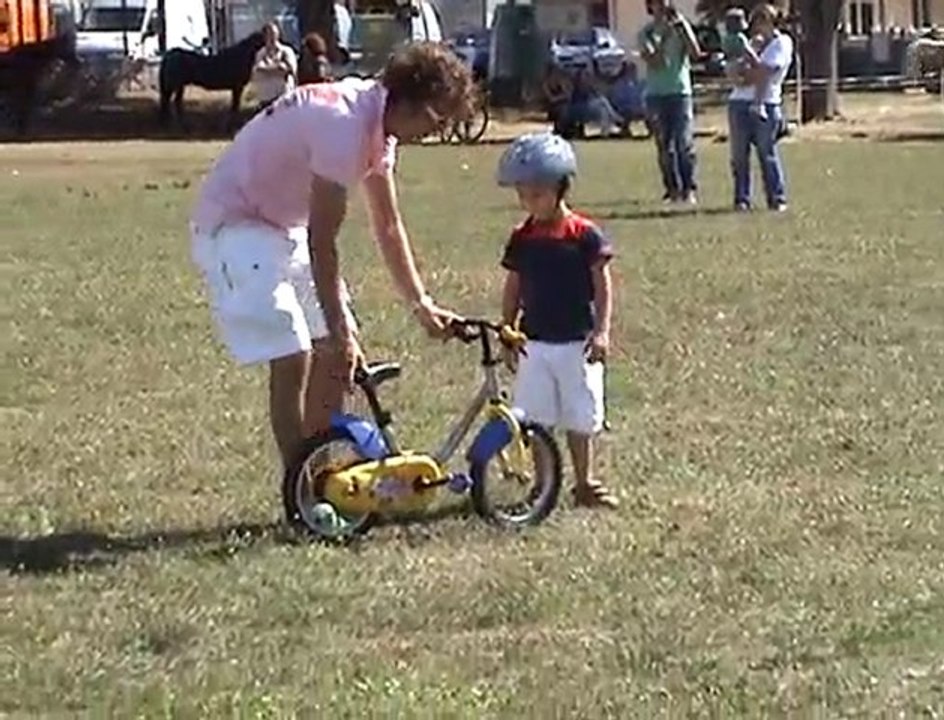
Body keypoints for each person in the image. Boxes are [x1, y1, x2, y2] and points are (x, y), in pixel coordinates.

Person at [189, 42, 475, 474]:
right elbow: (324, 241)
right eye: (435, 120)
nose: (434, 132)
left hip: (284, 225)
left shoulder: (379, 126)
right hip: (236, 222)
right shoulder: (344, 123)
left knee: (338, 357)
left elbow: (388, 224)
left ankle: (320, 473)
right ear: (408, 100)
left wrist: (422, 303)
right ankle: (301, 487)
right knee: (293, 351)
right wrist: (337, 328)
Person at [497, 132, 619, 510]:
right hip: (535, 342)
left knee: (580, 416)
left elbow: (602, 285)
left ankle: (584, 483)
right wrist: (507, 327)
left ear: (560, 188)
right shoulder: (523, 237)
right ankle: (543, 483)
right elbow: (513, 283)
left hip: (575, 342)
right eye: (522, 195)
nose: (528, 202)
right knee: (535, 418)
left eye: (536, 194)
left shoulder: (584, 235)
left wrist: (602, 331)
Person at [726, 3, 794, 212]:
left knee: (767, 153)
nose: (759, 25)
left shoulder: (781, 42)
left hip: (767, 103)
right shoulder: (752, 43)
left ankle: (777, 198)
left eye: (763, 20)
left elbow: (767, 72)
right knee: (739, 156)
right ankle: (742, 199)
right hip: (739, 103)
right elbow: (734, 71)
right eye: (756, 21)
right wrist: (745, 69)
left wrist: (747, 75)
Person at [639, 0, 702, 204]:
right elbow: (656, 61)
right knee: (664, 146)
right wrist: (665, 36)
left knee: (684, 142)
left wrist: (682, 28)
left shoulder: (680, 27)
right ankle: (672, 189)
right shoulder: (646, 32)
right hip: (656, 94)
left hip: (680, 93)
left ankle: (689, 188)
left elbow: (695, 52)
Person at [723, 7, 767, 119]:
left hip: (729, 64)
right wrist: (757, 62)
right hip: (740, 63)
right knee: (748, 79)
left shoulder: (725, 38)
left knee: (738, 82)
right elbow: (749, 51)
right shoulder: (740, 37)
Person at [251, 22, 298, 111]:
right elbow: (257, 71)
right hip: (265, 101)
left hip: (284, 99)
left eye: (274, 34)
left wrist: (266, 69)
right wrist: (276, 68)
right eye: (269, 34)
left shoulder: (286, 51)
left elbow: (289, 70)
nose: (272, 37)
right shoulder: (260, 54)